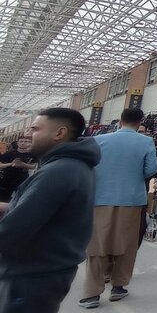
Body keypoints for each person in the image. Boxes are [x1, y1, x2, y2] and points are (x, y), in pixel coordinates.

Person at [0, 108, 99, 313]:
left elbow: (14, 229)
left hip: (31, 276)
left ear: (59, 133)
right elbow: (47, 212)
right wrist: (8, 207)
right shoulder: (73, 165)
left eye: (35, 129)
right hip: (44, 272)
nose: (27, 134)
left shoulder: (58, 171)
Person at [80, 108, 157, 308]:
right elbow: (151, 170)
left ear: (120, 120)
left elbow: (87, 167)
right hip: (131, 200)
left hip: (99, 199)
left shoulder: (97, 140)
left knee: (97, 245)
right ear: (140, 122)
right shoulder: (146, 142)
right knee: (126, 244)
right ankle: (118, 287)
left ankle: (91, 294)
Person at [0, 135, 34, 203]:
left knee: (20, 200)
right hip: (7, 180)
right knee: (3, 199)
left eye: (26, 141)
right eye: (21, 141)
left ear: (30, 143)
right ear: (17, 143)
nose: (23, 143)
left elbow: (35, 166)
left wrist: (23, 164)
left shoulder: (33, 154)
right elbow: (0, 165)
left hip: (23, 180)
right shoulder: (9, 154)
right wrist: (11, 164)